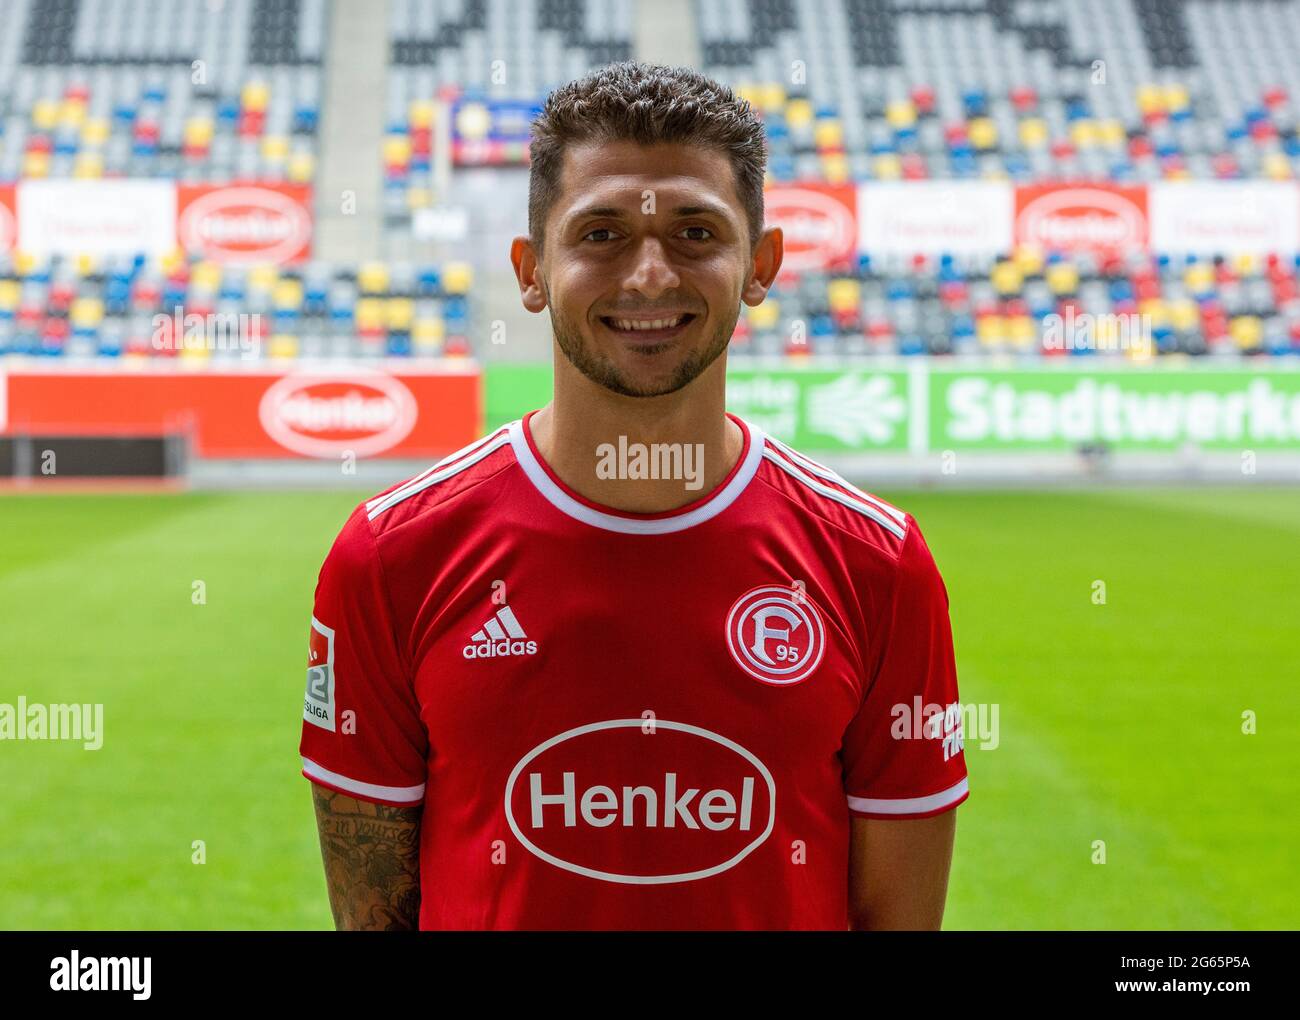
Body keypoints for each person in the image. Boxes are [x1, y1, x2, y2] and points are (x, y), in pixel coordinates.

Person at [300, 61, 968, 930]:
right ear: (532, 270)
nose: (650, 276)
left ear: (760, 264)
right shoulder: (391, 556)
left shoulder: (879, 565)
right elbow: (374, 920)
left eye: (695, 232)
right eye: (602, 234)